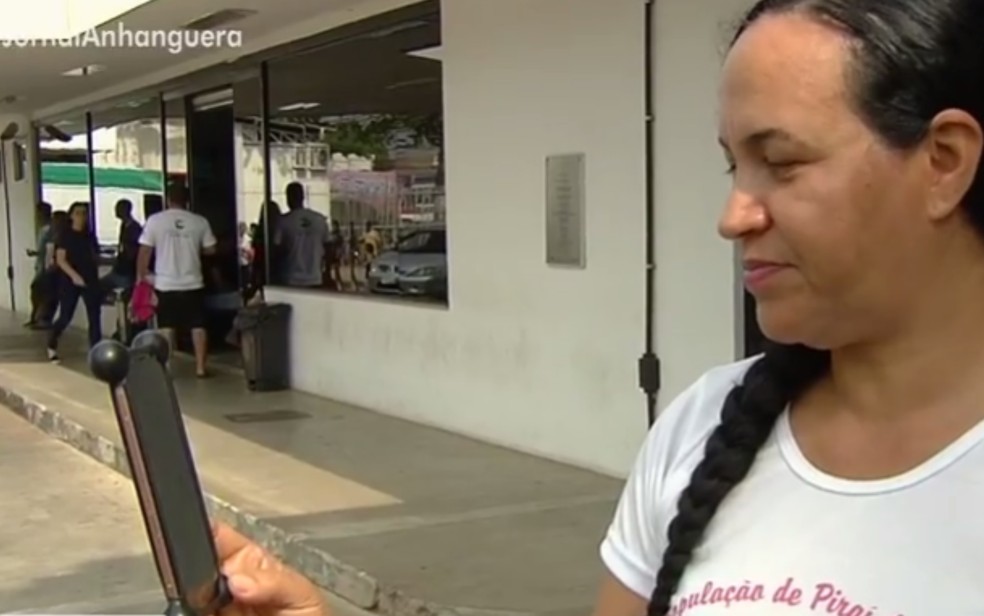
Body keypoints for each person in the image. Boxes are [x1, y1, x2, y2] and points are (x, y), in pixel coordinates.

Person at [185, 2, 984, 615]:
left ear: (943, 163)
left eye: (781, 162)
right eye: (733, 167)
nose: (734, 215)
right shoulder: (702, 427)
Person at [137, 182, 216, 377]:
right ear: (187, 200)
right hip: (193, 281)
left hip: (165, 283)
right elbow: (211, 249)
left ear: (168, 199)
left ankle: (166, 366)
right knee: (198, 326)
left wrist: (143, 276)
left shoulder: (155, 221)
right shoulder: (200, 221)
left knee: (166, 327)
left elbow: (145, 251)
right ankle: (200, 367)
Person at [46, 202, 101, 361]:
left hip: (90, 279)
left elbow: (94, 256)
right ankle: (52, 343)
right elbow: (61, 260)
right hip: (70, 280)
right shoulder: (65, 235)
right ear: (71, 216)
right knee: (65, 315)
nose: (82, 217)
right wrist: (74, 276)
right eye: (78, 213)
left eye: (84, 213)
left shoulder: (90, 236)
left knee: (94, 316)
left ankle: (96, 350)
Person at [277, 182, 329, 288]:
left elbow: (277, 250)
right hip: (315, 278)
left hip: (290, 278)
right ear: (303, 197)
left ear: (288, 198)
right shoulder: (319, 219)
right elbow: (328, 247)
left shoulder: (283, 222)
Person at [99, 198, 143, 293]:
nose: (115, 210)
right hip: (121, 269)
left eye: (118, 208)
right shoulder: (124, 225)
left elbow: (133, 252)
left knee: (99, 287)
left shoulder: (134, 229)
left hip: (126, 272)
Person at [25, 201, 54, 328]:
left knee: (39, 292)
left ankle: (40, 319)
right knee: (37, 292)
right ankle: (35, 317)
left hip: (45, 267)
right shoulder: (43, 229)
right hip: (41, 265)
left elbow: (50, 249)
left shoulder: (49, 230)